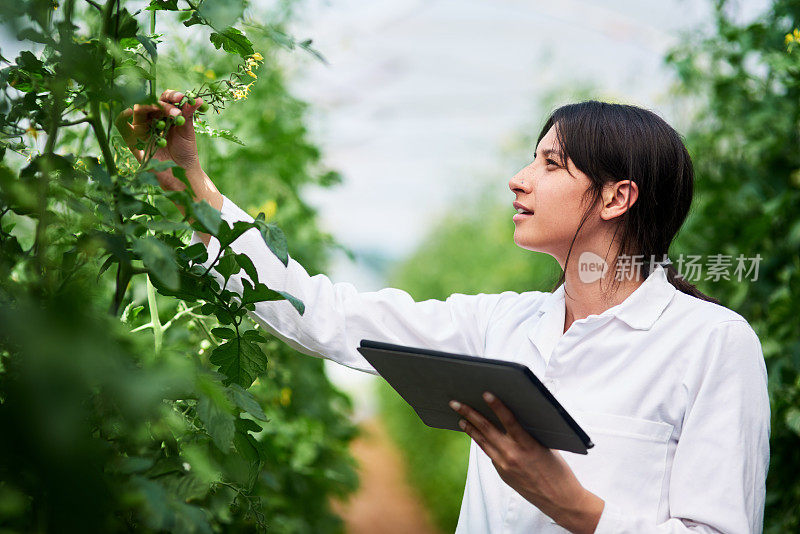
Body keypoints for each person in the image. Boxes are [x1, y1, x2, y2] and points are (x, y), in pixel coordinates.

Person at [116, 93, 770, 533]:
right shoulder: (501, 327)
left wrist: (575, 506)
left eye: (550, 164)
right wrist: (194, 191)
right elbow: (325, 314)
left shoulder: (710, 343)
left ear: (617, 197)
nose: (519, 179)